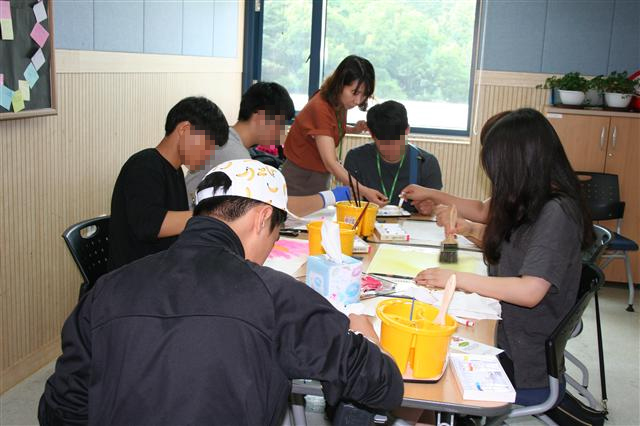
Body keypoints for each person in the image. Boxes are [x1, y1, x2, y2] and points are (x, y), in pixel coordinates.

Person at [39, 159, 404, 425]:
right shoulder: (274, 294)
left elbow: (61, 410)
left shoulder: (107, 288)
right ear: (263, 219)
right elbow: (383, 387)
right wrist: (362, 335)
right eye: (276, 238)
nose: (270, 250)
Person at [403, 108, 593, 406]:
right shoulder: (533, 197)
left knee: (421, 372)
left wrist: (456, 278)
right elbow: (506, 243)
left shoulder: (556, 213)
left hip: (521, 355)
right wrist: (467, 230)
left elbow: (530, 291)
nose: (496, 178)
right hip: (506, 328)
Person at [184, 82, 351, 216]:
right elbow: (277, 206)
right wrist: (332, 196)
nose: (281, 133)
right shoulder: (237, 157)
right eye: (279, 124)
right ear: (260, 116)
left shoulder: (227, 138)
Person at [107, 96, 229, 271]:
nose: (208, 155)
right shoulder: (144, 165)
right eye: (207, 145)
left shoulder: (175, 170)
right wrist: (213, 214)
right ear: (185, 129)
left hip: (161, 270)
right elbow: (149, 225)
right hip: (136, 278)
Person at [282, 55, 388, 205]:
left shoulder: (338, 101)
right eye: (354, 93)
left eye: (364, 95)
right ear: (340, 84)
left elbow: (329, 127)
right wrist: (364, 190)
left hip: (317, 175)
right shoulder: (320, 107)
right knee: (298, 223)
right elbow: (331, 162)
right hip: (300, 178)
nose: (358, 101)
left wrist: (353, 129)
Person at [343, 100, 442, 213]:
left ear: (407, 130)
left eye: (396, 142)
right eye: (384, 144)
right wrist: (353, 200)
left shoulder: (426, 163)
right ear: (371, 134)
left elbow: (436, 207)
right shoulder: (356, 158)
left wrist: (430, 207)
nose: (391, 149)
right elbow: (350, 202)